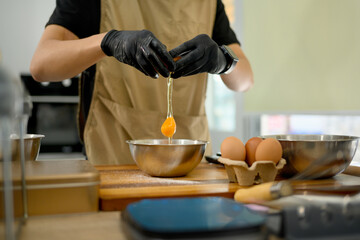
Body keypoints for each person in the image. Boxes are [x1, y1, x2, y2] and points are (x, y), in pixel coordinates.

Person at [30, 0, 254, 165]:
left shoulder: (208, 3)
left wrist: (224, 61)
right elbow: (41, 65)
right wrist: (108, 42)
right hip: (114, 160)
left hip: (190, 165)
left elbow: (245, 80)